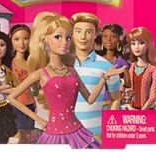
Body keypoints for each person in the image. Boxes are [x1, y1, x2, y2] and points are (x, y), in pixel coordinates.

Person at [7, 12, 119, 148]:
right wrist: (39, 119)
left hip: (78, 131)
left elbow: (90, 99)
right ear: (45, 40)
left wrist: (104, 78)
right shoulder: (41, 74)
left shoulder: (71, 70)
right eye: (58, 37)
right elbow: (11, 97)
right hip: (54, 133)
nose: (65, 42)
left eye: (68, 37)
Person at [71, 12, 121, 142]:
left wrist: (108, 130)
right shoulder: (63, 64)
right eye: (78, 31)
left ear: (95, 35)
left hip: (96, 136)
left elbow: (116, 99)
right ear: (72, 34)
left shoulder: (106, 66)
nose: (83, 37)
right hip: (67, 135)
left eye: (88, 32)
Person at [8, 24, 35, 142]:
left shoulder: (31, 63)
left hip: (30, 105)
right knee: (16, 138)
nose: (22, 43)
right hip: (14, 106)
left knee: (27, 138)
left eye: (26, 38)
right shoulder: (10, 63)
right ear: (11, 41)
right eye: (17, 39)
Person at [95, 23, 131, 107]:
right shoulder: (97, 60)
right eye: (105, 36)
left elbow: (128, 83)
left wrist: (120, 84)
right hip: (98, 101)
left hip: (114, 102)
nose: (108, 40)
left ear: (119, 40)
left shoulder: (121, 62)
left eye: (113, 37)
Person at [126, 26, 156, 110]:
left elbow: (153, 96)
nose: (136, 47)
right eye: (133, 43)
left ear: (148, 45)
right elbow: (125, 90)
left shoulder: (153, 70)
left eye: (141, 43)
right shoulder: (130, 67)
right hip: (130, 111)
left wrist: (142, 111)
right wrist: (129, 107)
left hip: (147, 111)